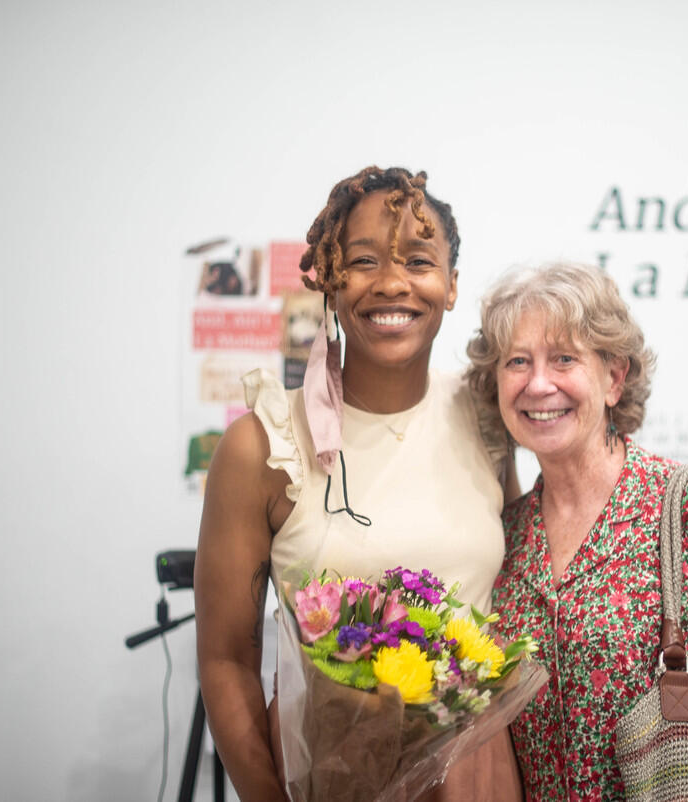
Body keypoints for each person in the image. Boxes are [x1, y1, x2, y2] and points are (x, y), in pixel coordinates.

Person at [195, 166, 521, 801]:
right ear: (327, 277)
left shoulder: (490, 418)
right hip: (328, 781)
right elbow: (227, 661)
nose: (393, 283)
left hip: (480, 780)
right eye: (364, 260)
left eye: (419, 261)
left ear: (451, 285)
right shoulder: (263, 444)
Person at [466, 263, 688, 801]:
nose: (538, 384)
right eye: (517, 362)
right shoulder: (504, 536)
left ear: (613, 378)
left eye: (563, 358)